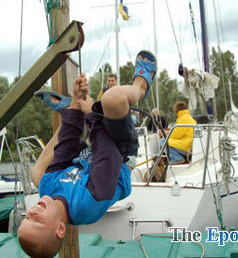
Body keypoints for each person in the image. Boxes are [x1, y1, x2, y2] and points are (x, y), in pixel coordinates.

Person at [17, 50, 157, 257]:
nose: (32, 211)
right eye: (37, 220)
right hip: (119, 154)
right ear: (60, 229)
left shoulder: (48, 189)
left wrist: (75, 103)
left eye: (27, 217)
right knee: (113, 98)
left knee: (38, 175)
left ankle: (71, 111)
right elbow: (109, 154)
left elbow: (64, 149)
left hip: (88, 158)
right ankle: (140, 86)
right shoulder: (86, 206)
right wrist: (92, 113)